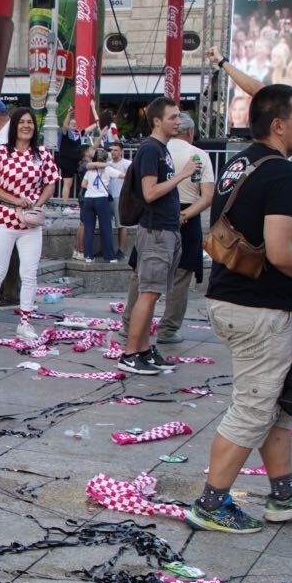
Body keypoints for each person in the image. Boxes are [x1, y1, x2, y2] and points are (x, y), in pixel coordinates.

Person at [186, 84, 292, 534]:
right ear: (278, 125)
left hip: (233, 296)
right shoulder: (284, 174)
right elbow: (279, 250)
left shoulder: (242, 162)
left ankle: (284, 491)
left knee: (274, 403)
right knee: (254, 407)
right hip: (259, 307)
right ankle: (211, 503)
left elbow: (269, 229)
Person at [119, 97, 196, 375]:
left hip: (167, 229)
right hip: (155, 232)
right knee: (148, 293)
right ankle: (130, 353)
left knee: (154, 294)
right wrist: (183, 175)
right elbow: (150, 192)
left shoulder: (160, 149)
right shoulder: (151, 149)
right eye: (173, 117)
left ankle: (142, 349)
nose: (179, 121)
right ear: (157, 121)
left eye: (179, 117)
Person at [0, 106, 56, 341]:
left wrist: (38, 203)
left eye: (30, 122)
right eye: (22, 122)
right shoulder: (2, 152)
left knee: (29, 274)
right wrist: (14, 200)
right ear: (14, 126)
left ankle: (25, 322)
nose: (26, 126)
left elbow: (51, 182)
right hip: (4, 218)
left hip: (31, 223)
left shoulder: (42, 153)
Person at [155, 113, 215, 345]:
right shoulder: (198, 155)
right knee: (180, 277)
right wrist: (186, 215)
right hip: (187, 216)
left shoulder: (158, 150)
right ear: (190, 132)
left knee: (143, 274)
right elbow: (207, 196)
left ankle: (131, 322)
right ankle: (168, 329)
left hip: (158, 214)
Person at [79, 149, 117, 262]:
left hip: (88, 199)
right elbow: (123, 175)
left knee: (89, 228)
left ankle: (88, 256)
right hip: (101, 199)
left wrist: (92, 188)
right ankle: (110, 256)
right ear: (105, 159)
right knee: (105, 228)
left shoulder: (89, 170)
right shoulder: (108, 169)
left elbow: (83, 184)